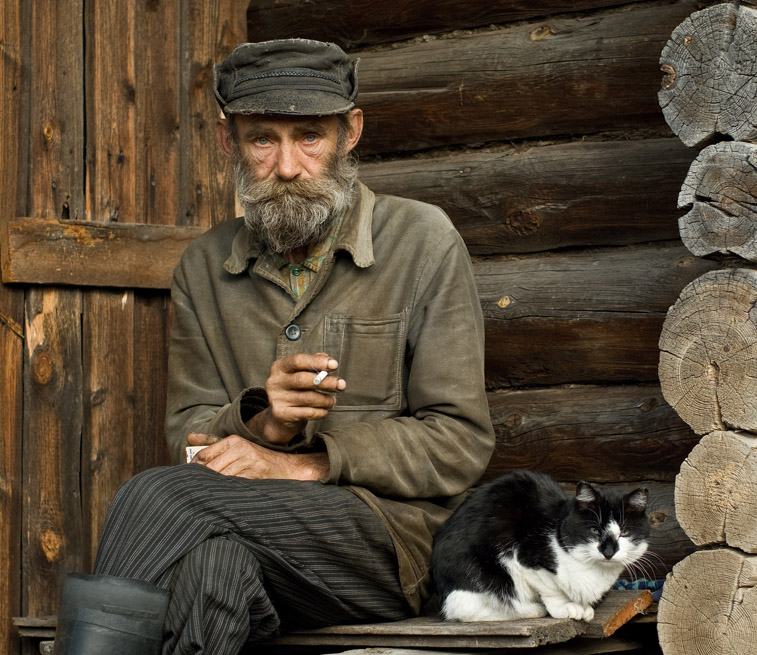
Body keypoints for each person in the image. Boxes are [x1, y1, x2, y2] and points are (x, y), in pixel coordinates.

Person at [54, 38, 494, 655]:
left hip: (396, 547)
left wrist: (307, 462)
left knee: (155, 494)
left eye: (309, 137)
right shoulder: (205, 266)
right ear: (228, 141)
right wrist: (270, 425)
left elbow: (459, 441)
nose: (287, 166)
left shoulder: (423, 241)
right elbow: (188, 437)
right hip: (264, 548)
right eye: (263, 139)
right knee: (214, 570)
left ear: (350, 133)